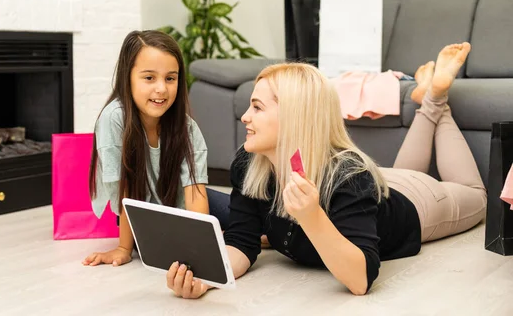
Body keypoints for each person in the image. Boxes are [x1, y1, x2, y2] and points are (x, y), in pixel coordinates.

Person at [165, 42, 487, 298]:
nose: (245, 117)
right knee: (396, 172)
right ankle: (428, 99)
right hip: (377, 187)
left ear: (294, 116)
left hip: (420, 201)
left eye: (257, 108)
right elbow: (241, 242)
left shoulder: (351, 177)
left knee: (476, 195)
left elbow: (360, 281)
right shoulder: (250, 165)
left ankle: (435, 100)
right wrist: (208, 278)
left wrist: (311, 216)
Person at [82, 30, 229, 267]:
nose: (161, 89)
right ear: (127, 77)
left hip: (182, 204)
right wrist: (123, 248)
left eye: (170, 78)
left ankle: (247, 235)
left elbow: (195, 192)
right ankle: (233, 236)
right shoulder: (114, 119)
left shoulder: (187, 127)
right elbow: (125, 190)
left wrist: (200, 246)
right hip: (143, 216)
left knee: (251, 218)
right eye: (149, 78)